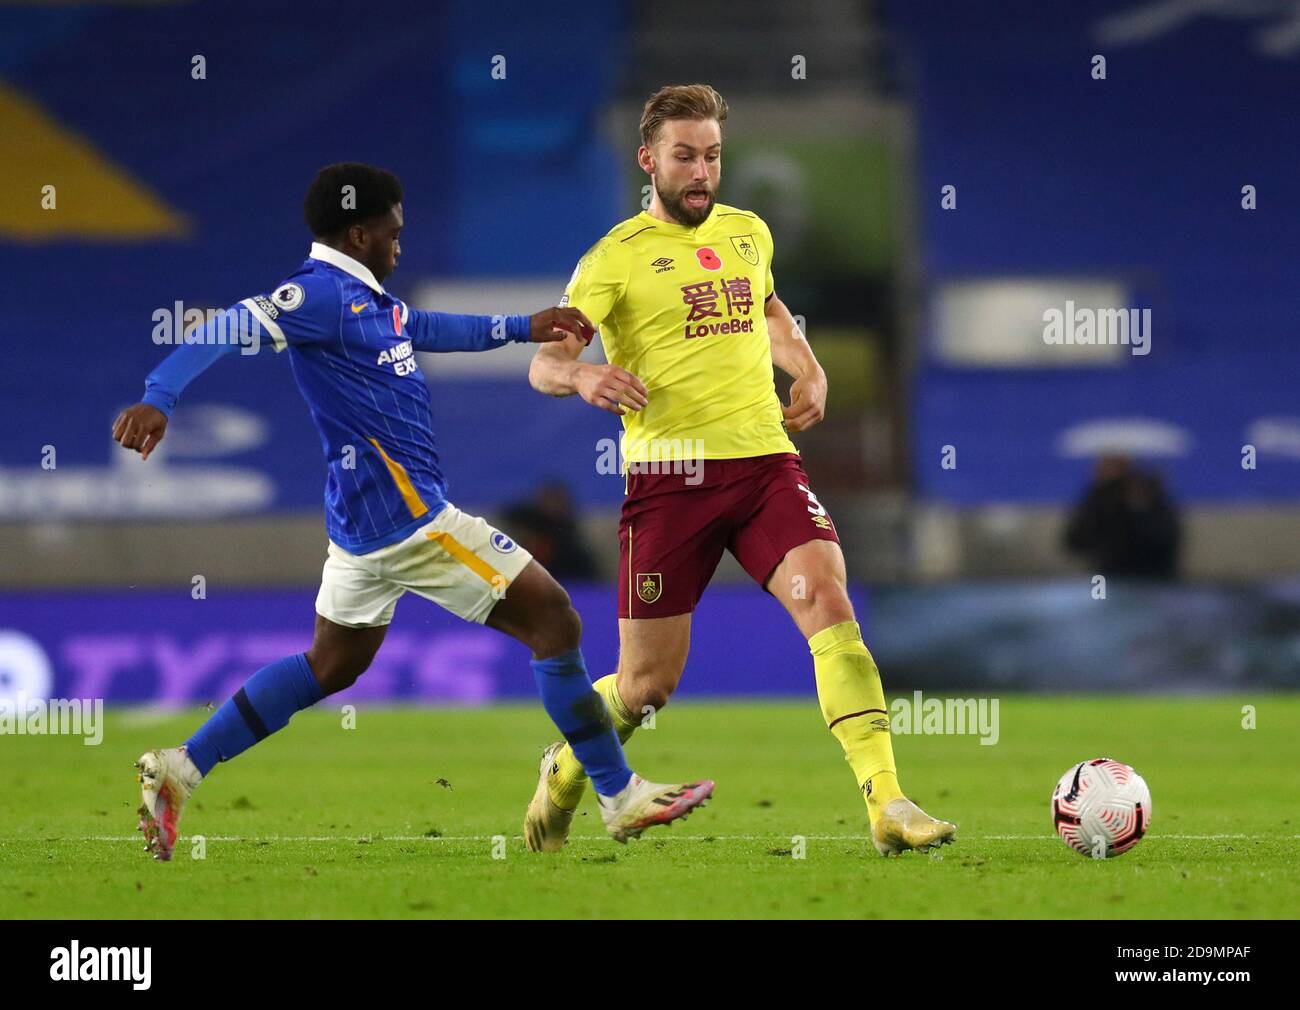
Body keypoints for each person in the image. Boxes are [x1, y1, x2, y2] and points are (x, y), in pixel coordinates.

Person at [112, 162, 712, 861]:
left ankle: (179, 768)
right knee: (554, 619)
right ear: (360, 232)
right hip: (411, 520)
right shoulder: (316, 296)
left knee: (332, 664)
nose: (401, 244)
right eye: (393, 233)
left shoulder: (370, 302)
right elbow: (228, 325)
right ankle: (618, 794)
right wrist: (160, 396)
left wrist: (525, 326)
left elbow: (428, 326)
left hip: (361, 528)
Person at [524, 86, 955, 856]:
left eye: (713, 156)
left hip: (764, 469)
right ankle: (566, 766)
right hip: (667, 485)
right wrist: (585, 378)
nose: (702, 173)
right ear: (648, 161)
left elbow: (769, 312)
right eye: (685, 157)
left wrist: (809, 368)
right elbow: (547, 363)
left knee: (828, 602)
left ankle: (887, 802)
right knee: (646, 687)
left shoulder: (748, 234)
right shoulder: (613, 259)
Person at [1064, 454, 1181, 579]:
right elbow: (1074, 542)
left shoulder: (1147, 493)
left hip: (1152, 577)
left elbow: (1164, 541)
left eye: (1113, 463)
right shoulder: (1097, 497)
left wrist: (1140, 510)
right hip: (1108, 575)